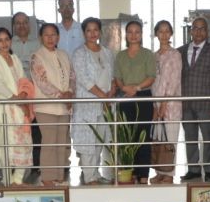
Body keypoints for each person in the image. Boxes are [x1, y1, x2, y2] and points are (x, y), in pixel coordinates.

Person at [0, 27, 35, 184]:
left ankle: (17, 180)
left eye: (6, 39)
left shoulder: (15, 59)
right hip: (5, 107)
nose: (4, 43)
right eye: (0, 40)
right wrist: (14, 97)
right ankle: (7, 182)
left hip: (20, 106)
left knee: (24, 142)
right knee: (6, 143)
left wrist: (23, 96)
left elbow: (24, 80)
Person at [71, 18, 116, 184]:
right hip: (87, 103)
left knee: (100, 139)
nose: (92, 33)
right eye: (88, 30)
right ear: (84, 33)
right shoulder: (79, 54)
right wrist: (103, 96)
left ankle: (96, 174)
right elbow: (84, 79)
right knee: (87, 140)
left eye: (95, 30)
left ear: (100, 32)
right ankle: (89, 176)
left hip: (104, 104)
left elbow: (112, 76)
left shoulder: (107, 52)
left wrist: (111, 91)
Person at [179, 16, 210, 182]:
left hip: (206, 104)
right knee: (189, 137)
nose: (198, 31)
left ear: (208, 32)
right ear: (191, 31)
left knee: (209, 137)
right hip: (186, 103)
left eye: (202, 28)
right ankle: (194, 169)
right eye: (195, 28)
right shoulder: (181, 51)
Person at [31, 22, 75, 186]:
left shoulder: (63, 54)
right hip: (46, 106)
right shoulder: (37, 56)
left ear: (58, 36)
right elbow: (42, 82)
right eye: (46, 35)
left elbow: (72, 76)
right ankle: (48, 178)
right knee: (49, 142)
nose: (50, 38)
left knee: (62, 142)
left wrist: (70, 92)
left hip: (64, 107)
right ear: (41, 37)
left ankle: (59, 176)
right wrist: (61, 95)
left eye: (53, 34)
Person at [114, 20, 158, 183]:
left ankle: (143, 175)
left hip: (143, 97)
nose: (133, 35)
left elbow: (151, 76)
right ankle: (130, 173)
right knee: (127, 137)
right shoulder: (120, 55)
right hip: (125, 98)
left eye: (137, 32)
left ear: (141, 34)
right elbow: (117, 78)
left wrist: (137, 88)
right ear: (125, 35)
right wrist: (125, 88)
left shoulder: (148, 54)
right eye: (130, 32)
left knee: (143, 137)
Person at [11, 12, 42, 182]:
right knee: (18, 131)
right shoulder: (9, 44)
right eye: (18, 23)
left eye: (24, 22)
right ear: (13, 26)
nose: (21, 26)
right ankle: (17, 165)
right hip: (17, 94)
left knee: (35, 129)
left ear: (29, 25)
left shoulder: (37, 43)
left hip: (35, 93)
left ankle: (36, 165)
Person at [151, 20, 182, 183]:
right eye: (160, 31)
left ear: (171, 34)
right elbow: (153, 82)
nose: (163, 34)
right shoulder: (154, 56)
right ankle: (159, 171)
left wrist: (163, 103)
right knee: (158, 139)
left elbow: (174, 80)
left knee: (170, 139)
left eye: (167, 31)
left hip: (171, 105)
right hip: (157, 104)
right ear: (156, 33)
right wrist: (155, 105)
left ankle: (169, 174)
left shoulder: (175, 55)